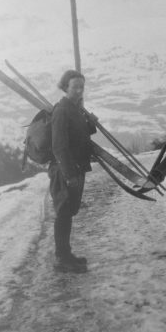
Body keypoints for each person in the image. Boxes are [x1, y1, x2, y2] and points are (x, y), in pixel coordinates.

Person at [48, 70, 97, 273]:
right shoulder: (61, 110)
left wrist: (91, 125)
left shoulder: (75, 108)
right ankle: (62, 259)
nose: (79, 90)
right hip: (65, 170)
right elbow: (59, 146)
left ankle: (66, 255)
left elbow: (79, 134)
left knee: (68, 212)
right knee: (64, 213)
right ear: (65, 87)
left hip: (76, 168)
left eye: (81, 87)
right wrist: (69, 175)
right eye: (75, 86)